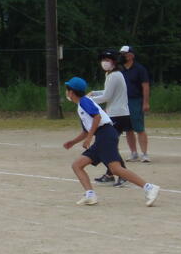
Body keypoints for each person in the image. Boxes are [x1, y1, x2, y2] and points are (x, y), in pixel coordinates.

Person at [62, 77, 159, 207]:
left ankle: (149, 188)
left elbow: (97, 117)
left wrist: (89, 138)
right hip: (103, 136)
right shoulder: (82, 105)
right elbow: (86, 130)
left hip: (105, 135)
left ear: (71, 92)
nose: (66, 92)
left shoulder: (84, 102)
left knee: (115, 169)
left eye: (67, 90)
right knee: (77, 165)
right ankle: (90, 195)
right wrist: (73, 142)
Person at [90, 51, 131, 187]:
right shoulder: (111, 75)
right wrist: (94, 93)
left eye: (107, 60)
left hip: (118, 115)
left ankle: (122, 173)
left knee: (107, 144)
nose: (104, 62)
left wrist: (87, 100)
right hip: (116, 114)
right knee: (108, 144)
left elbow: (106, 97)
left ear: (114, 61)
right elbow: (107, 92)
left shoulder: (114, 75)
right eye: (103, 59)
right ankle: (110, 174)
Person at [119, 45, 151, 162]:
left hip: (135, 100)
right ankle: (133, 153)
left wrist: (145, 102)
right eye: (121, 54)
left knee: (139, 127)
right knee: (128, 129)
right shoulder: (120, 69)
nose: (123, 56)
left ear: (131, 55)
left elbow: (145, 86)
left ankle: (144, 154)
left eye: (125, 54)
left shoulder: (139, 69)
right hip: (123, 101)